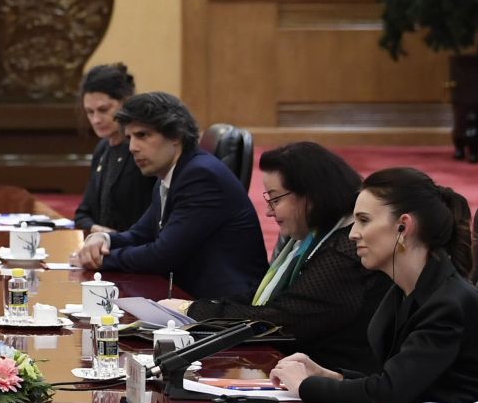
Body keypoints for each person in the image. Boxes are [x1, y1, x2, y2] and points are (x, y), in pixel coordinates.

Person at [270, 168, 478, 403]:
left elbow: (389, 393)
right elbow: (394, 380)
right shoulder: (402, 288)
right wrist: (329, 376)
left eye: (364, 220)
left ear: (404, 226)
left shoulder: (448, 303)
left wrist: (306, 386)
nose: (353, 233)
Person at [157, 142, 384, 373]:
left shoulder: (344, 250)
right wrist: (198, 307)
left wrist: (191, 310)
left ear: (311, 196)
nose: (268, 211)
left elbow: (281, 320)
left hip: (336, 386)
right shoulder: (312, 236)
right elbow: (264, 299)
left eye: (275, 199)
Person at [72, 92, 267, 299]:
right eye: (129, 138)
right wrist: (104, 239)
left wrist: (102, 259)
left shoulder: (200, 176)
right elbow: (140, 234)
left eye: (143, 135)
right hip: (192, 299)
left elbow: (161, 256)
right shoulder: (170, 174)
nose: (132, 148)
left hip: (227, 311)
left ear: (175, 135)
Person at [72, 63, 155, 233]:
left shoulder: (142, 151)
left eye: (103, 110)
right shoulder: (103, 149)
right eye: (90, 112)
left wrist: (112, 238)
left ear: (125, 103)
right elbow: (82, 214)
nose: (96, 120)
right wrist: (100, 232)